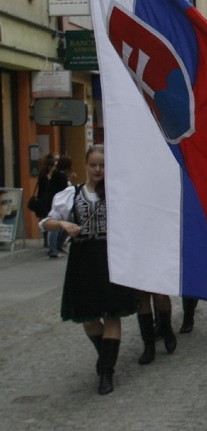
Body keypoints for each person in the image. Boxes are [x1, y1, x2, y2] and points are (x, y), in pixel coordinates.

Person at [40, 145, 137, 395]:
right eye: (93, 164)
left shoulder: (117, 193)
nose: (97, 169)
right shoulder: (70, 194)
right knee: (88, 316)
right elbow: (46, 222)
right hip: (83, 259)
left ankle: (107, 371)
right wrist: (63, 223)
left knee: (112, 313)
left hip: (111, 257)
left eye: (102, 165)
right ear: (86, 165)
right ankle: (104, 354)